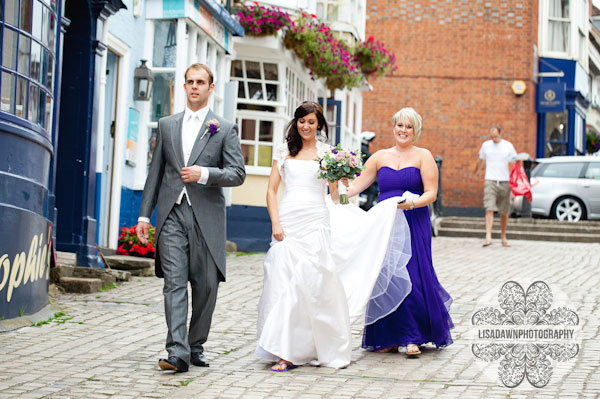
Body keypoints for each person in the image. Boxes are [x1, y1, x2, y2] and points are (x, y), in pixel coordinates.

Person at [256, 102, 412, 371]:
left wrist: (343, 181)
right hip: (289, 221)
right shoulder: (284, 152)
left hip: (316, 220)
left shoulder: (327, 153)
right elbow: (271, 191)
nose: (306, 126)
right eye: (302, 121)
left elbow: (335, 196)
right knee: (281, 279)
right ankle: (281, 347)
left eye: (312, 122)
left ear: (319, 126)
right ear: (296, 122)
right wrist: (275, 223)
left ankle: (297, 351)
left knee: (310, 283)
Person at [137, 64, 246, 373]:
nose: (195, 87)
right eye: (190, 82)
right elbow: (155, 173)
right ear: (183, 86)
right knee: (174, 283)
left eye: (201, 82)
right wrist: (145, 216)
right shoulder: (167, 125)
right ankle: (176, 352)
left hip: (206, 217)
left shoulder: (224, 127)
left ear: (211, 88)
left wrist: (204, 174)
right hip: (171, 213)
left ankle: (195, 343)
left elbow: (237, 174)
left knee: (207, 284)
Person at [345, 107, 453, 356]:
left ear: (415, 131)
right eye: (399, 125)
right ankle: (387, 335)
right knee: (386, 274)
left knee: (413, 273)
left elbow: (431, 193)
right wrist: (334, 184)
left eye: (408, 126)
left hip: (414, 219)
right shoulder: (379, 156)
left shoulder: (423, 156)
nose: (403, 130)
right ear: (393, 127)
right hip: (384, 225)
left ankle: (412, 337)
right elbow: (357, 186)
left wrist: (413, 203)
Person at [473, 126, 517, 247]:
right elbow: (481, 160)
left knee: (504, 212)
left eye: (496, 136)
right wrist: (476, 171)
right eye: (492, 137)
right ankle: (488, 237)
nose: (494, 139)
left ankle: (503, 236)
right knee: (489, 208)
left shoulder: (508, 146)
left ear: (501, 134)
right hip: (490, 180)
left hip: (505, 181)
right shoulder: (486, 145)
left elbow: (514, 162)